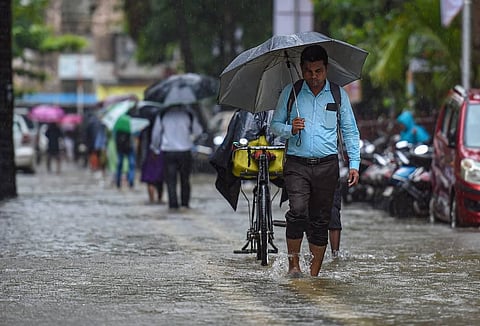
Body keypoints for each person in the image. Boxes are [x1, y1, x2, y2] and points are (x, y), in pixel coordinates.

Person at [271, 45, 360, 277]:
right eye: (309, 71)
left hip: (327, 165)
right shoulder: (291, 93)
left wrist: (354, 164)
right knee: (298, 211)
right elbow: (275, 126)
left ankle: (314, 274)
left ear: (326, 69)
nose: (314, 77)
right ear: (301, 69)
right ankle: (293, 267)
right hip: (297, 165)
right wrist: (291, 128)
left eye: (318, 71)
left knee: (321, 219)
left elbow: (350, 131)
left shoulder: (339, 95)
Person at [150, 105, 203, 210]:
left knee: (171, 180)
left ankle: (173, 205)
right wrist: (189, 137)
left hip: (168, 151)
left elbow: (156, 134)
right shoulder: (189, 114)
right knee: (185, 179)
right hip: (185, 150)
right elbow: (198, 131)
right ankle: (185, 204)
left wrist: (155, 149)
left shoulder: (163, 114)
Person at [139, 123, 164, 204]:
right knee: (160, 179)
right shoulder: (161, 122)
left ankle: (152, 200)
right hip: (161, 152)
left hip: (149, 154)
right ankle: (159, 199)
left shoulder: (144, 125)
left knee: (150, 180)